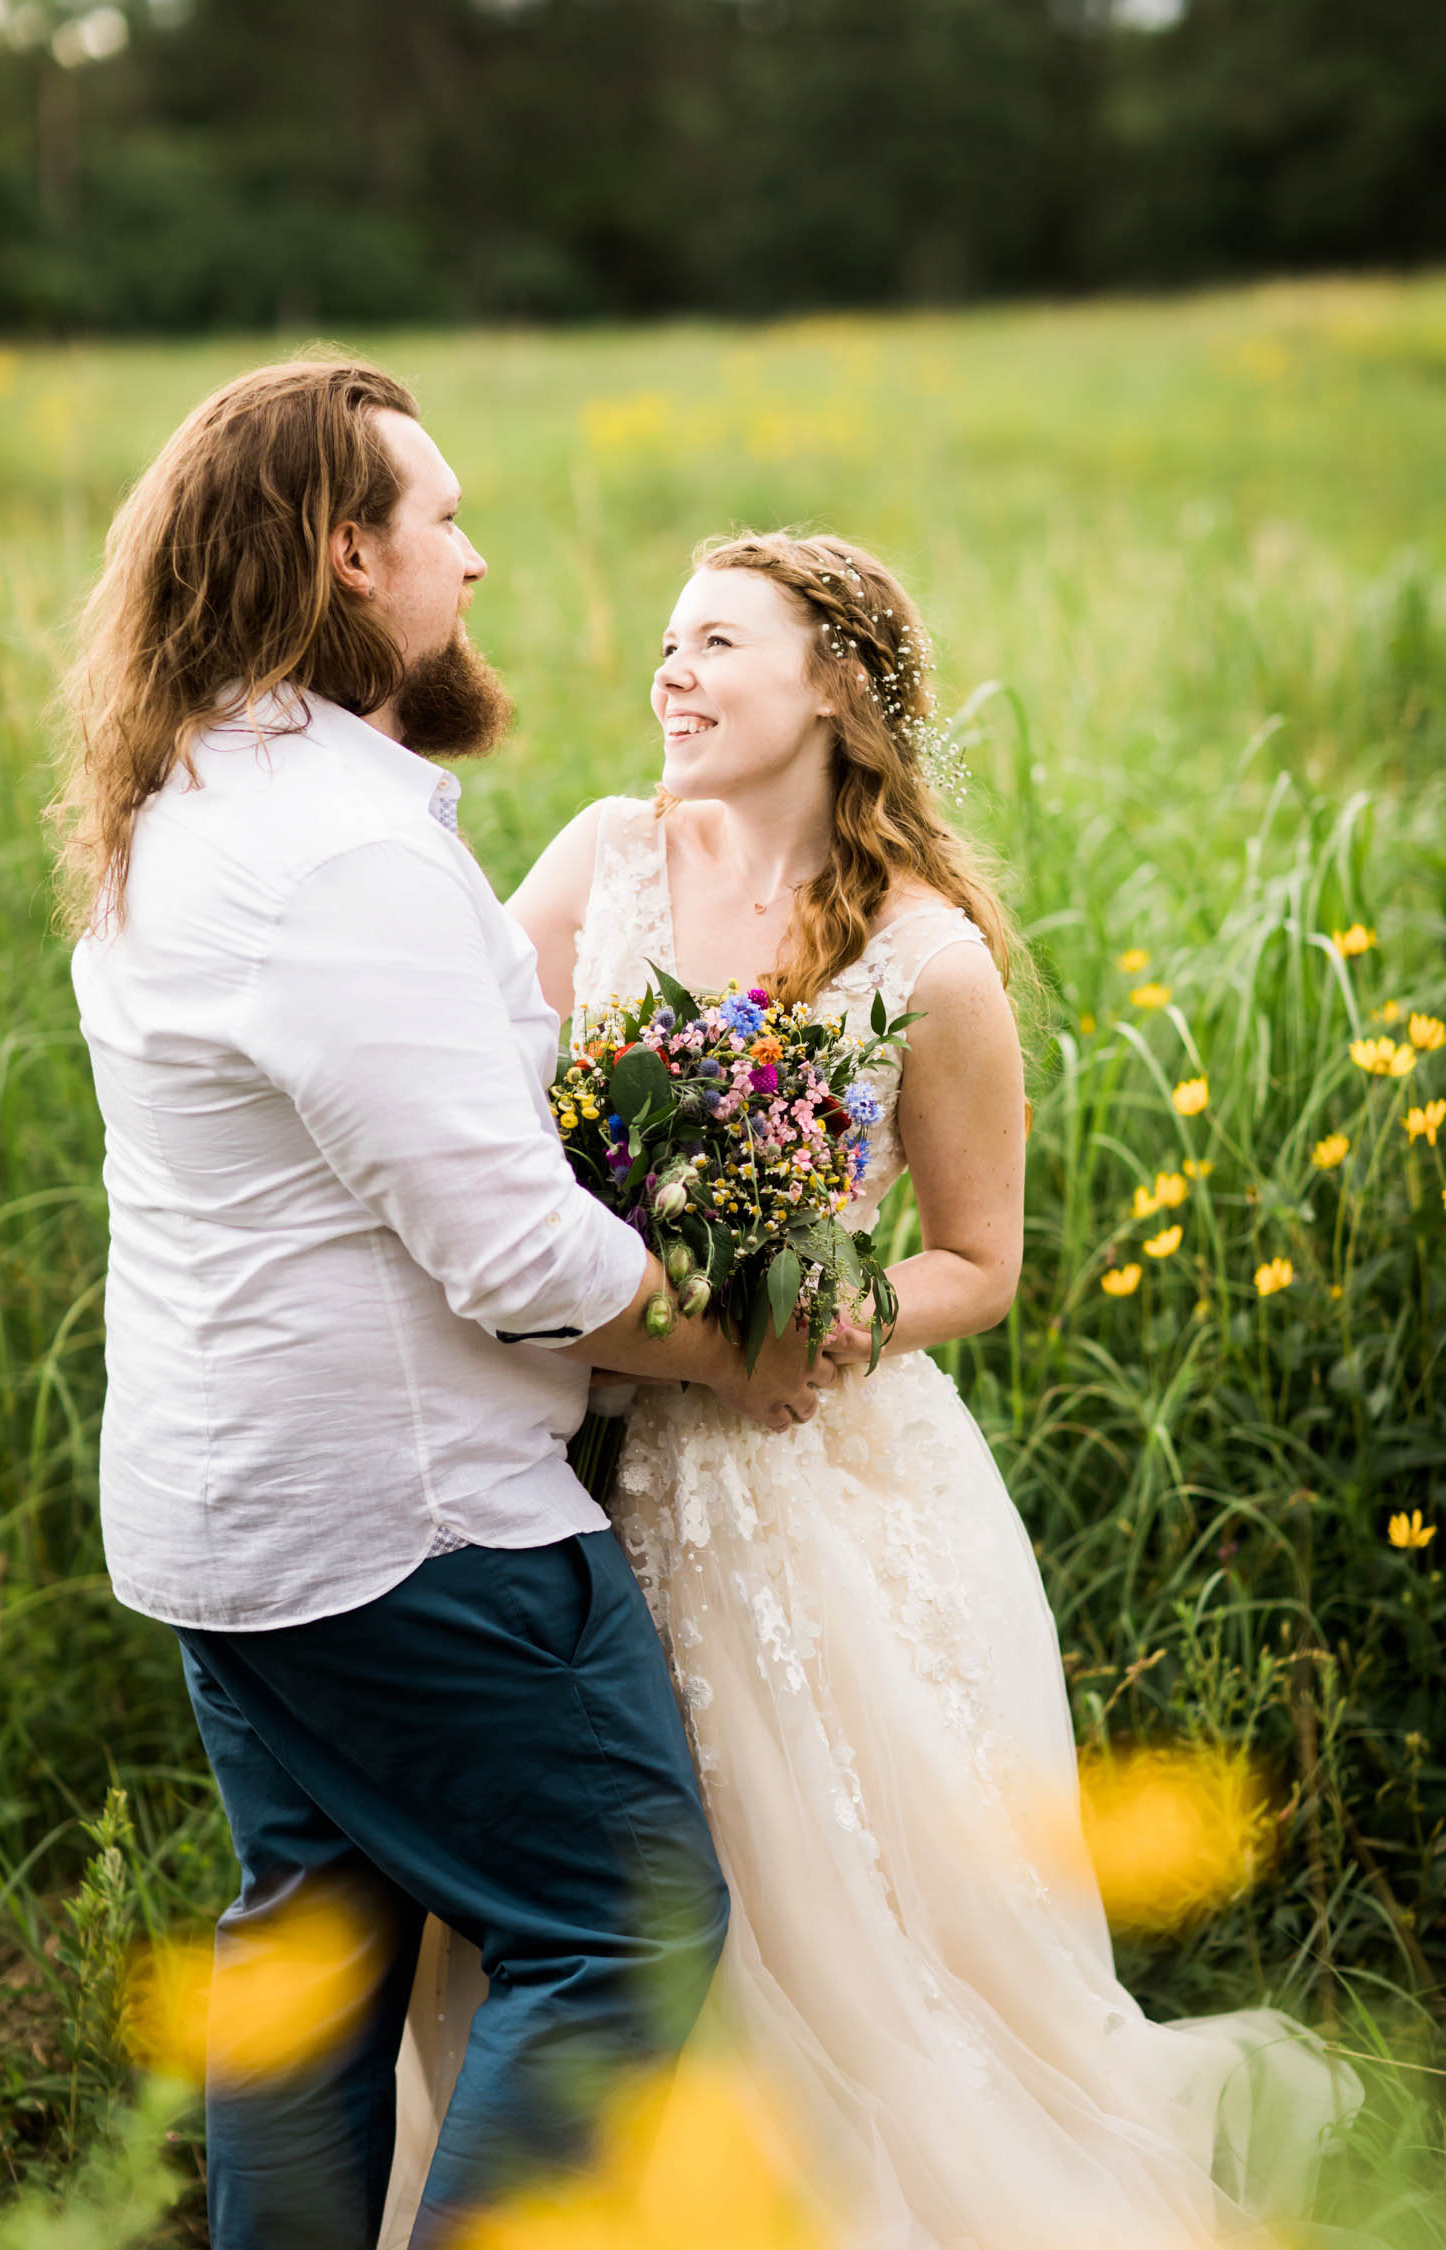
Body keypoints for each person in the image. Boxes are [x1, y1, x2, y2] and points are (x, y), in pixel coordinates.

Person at [385, 532, 1358, 2249]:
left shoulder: (927, 958)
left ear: (835, 682)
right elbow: (484, 1128)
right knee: (578, 1887)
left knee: (816, 1894)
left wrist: (821, 1314)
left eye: (715, 643)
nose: (669, 673)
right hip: (564, 1444)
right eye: (669, 643)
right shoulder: (603, 858)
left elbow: (980, 1263)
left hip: (803, 1478)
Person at [55, 363, 837, 2250]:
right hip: (405, 1530)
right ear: (343, 555)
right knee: (621, 1922)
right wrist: (744, 1328)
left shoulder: (192, 797)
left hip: (226, 1509)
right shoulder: (335, 856)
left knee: (311, 1946)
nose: (475, 564)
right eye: (443, 521)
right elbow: (518, 1260)